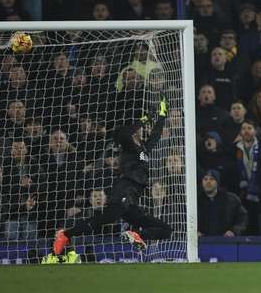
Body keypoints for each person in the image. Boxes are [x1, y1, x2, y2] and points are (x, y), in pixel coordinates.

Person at [52, 97, 172, 256]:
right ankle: (65, 235)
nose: (140, 131)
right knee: (107, 217)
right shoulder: (128, 145)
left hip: (133, 198)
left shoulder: (143, 149)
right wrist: (146, 117)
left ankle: (138, 236)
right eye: (137, 130)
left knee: (166, 229)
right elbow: (126, 132)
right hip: (124, 189)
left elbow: (156, 134)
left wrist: (162, 115)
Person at [197, 169, 248, 237]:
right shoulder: (196, 201)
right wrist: (194, 231)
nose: (208, 181)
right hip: (202, 242)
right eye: (205, 179)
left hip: (225, 242)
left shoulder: (230, 199)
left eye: (211, 179)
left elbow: (243, 219)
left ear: (217, 182)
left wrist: (233, 231)